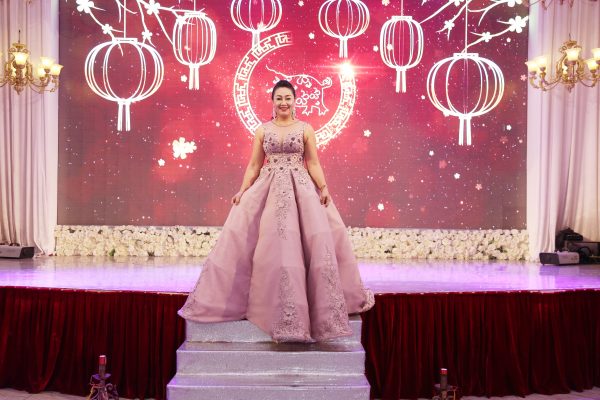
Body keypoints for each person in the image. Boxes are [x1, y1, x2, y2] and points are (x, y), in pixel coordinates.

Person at [178, 80, 374, 342]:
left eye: (288, 98)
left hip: (301, 189)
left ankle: (313, 310)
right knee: (271, 245)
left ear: (295, 101)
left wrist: (323, 187)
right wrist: (242, 190)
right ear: (272, 101)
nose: (283, 102)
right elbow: (254, 166)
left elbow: (313, 163)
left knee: (310, 242)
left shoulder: (305, 128)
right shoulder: (262, 130)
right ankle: (267, 308)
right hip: (268, 188)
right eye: (279, 98)